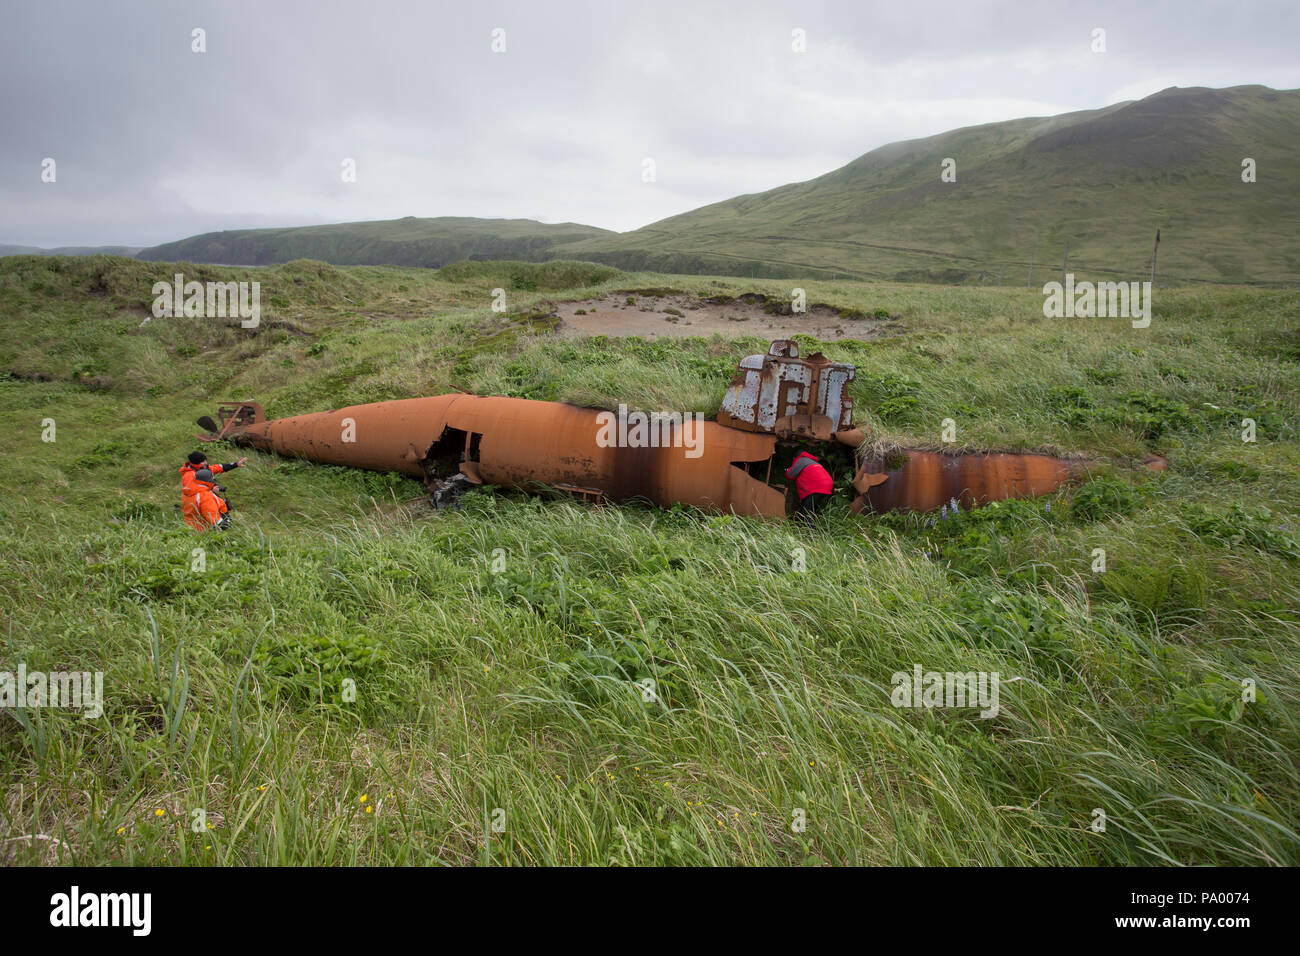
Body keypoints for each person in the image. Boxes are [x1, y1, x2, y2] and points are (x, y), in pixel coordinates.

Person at [180, 451, 247, 531]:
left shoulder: (202, 469)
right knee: (208, 513)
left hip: (198, 513)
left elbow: (218, 467)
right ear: (196, 463)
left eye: (205, 460)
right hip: (200, 513)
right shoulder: (189, 476)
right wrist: (211, 489)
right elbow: (192, 491)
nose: (206, 463)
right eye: (203, 461)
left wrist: (236, 464)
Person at [786, 450, 833, 525]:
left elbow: (790, 474)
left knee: (807, 511)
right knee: (806, 508)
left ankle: (812, 534)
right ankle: (797, 526)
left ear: (795, 458)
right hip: (826, 486)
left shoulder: (801, 460)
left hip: (816, 487)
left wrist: (787, 469)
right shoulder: (812, 461)